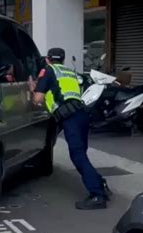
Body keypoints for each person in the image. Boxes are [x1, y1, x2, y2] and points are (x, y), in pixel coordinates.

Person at [28, 47, 110, 210]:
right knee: (81, 155)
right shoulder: (70, 72)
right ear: (63, 60)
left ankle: (97, 195)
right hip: (82, 115)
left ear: (47, 59)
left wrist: (33, 88)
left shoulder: (48, 71)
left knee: (78, 157)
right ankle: (101, 183)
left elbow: (37, 99)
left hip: (70, 118)